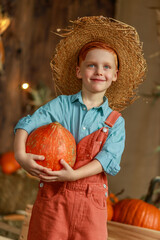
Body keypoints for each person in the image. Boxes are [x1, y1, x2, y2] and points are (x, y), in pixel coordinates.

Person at [14, 16, 146, 240]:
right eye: (91, 65)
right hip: (54, 199)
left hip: (91, 203)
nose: (98, 71)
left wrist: (74, 175)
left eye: (106, 67)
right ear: (79, 71)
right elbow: (27, 124)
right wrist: (20, 155)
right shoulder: (61, 106)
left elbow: (106, 159)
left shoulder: (115, 121)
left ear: (114, 76)